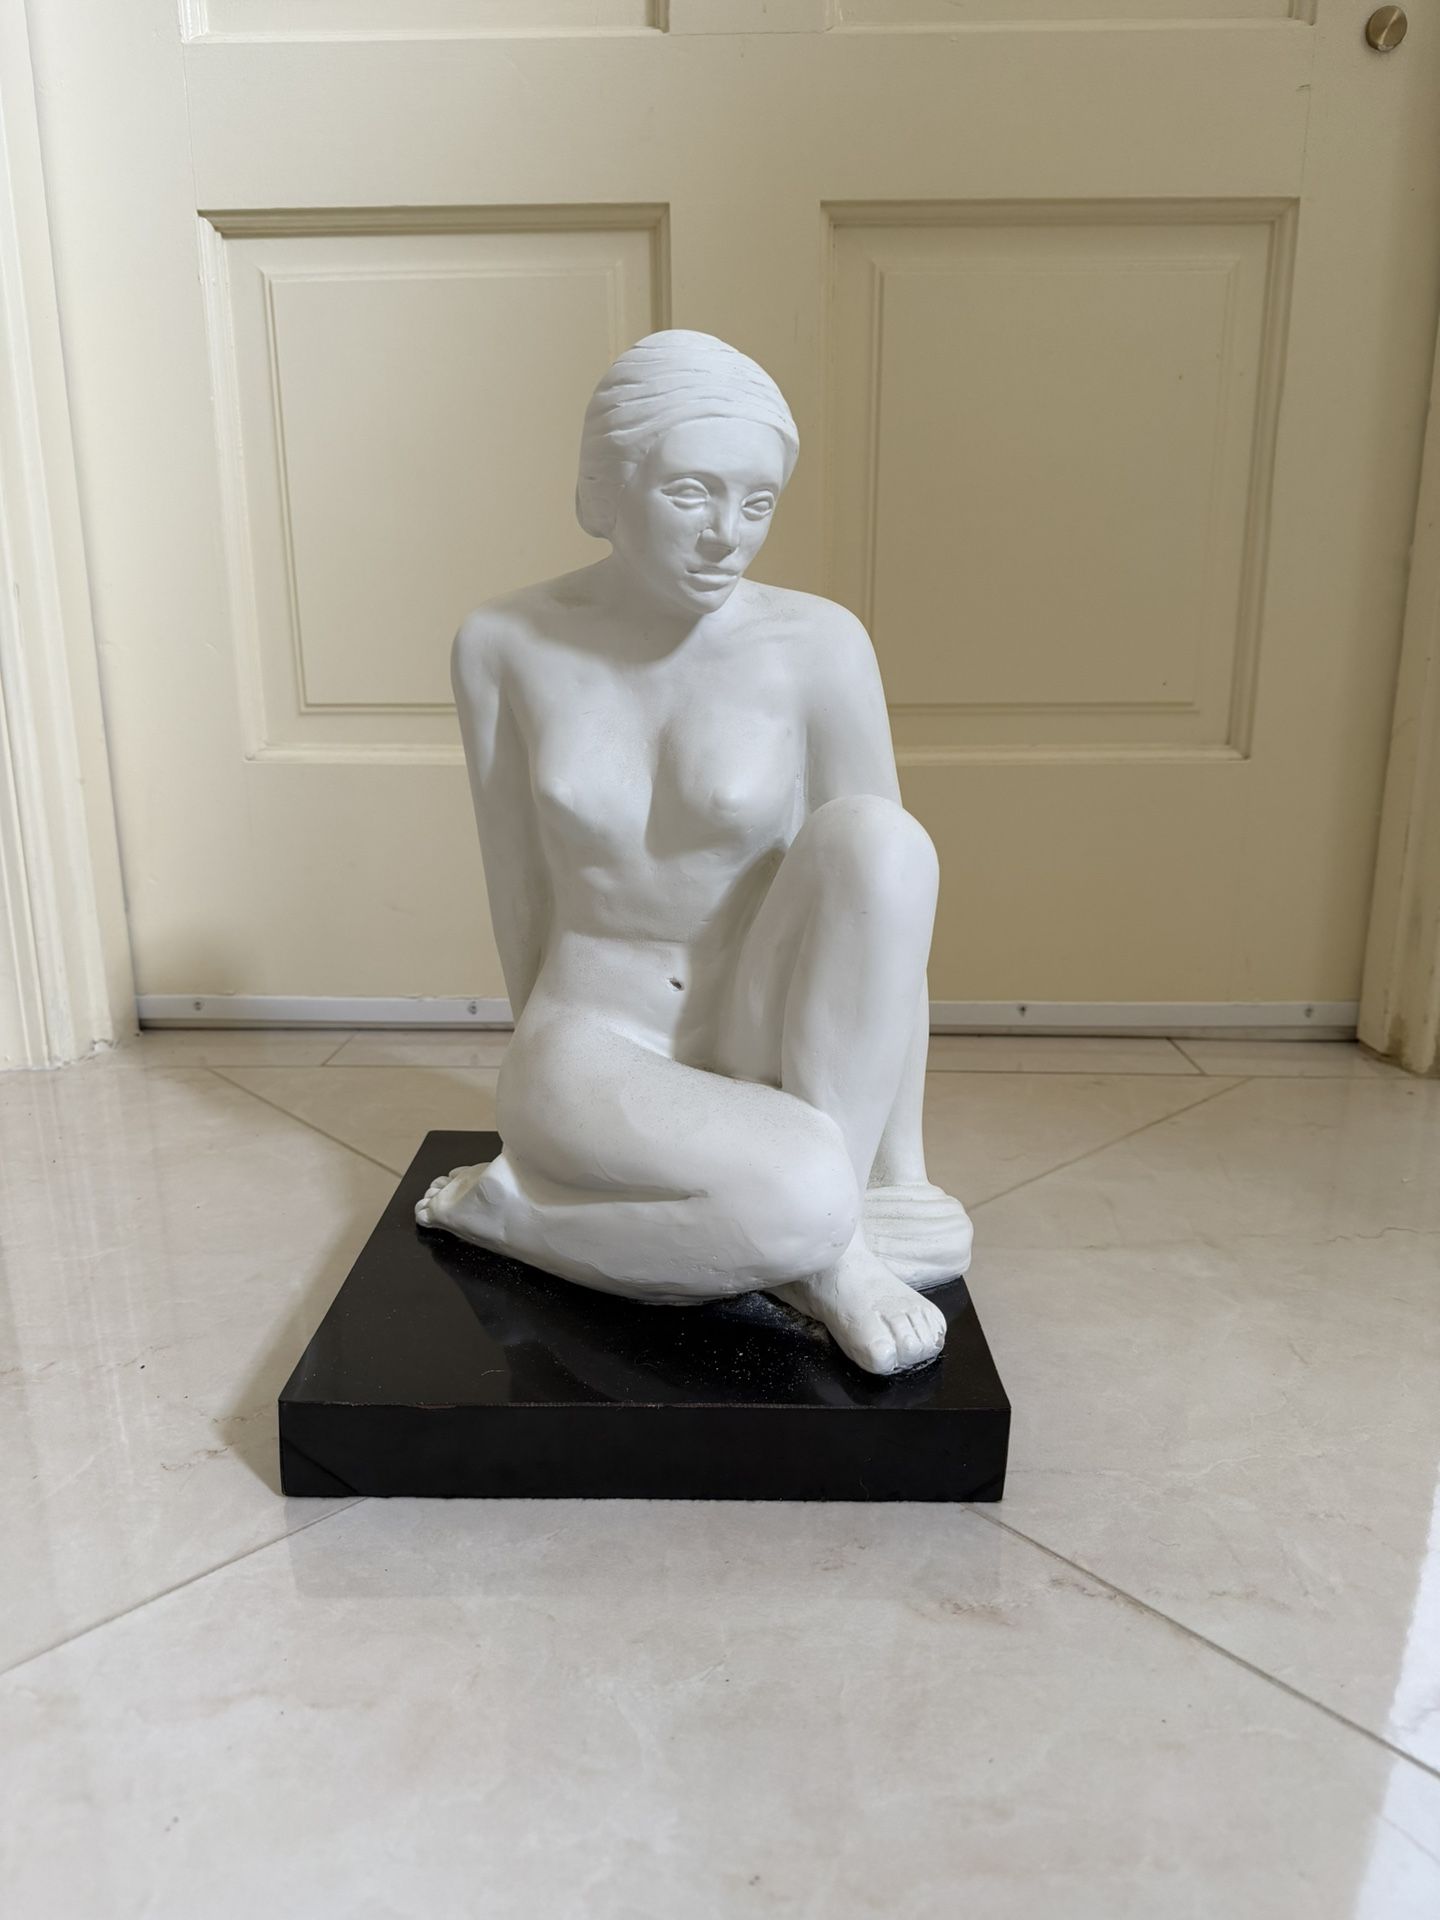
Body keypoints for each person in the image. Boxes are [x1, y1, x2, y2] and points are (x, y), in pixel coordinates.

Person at [417, 329, 973, 1375]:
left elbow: (885, 923)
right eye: (691, 494)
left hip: (758, 1027)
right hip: (596, 1032)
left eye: (757, 503)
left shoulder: (819, 644)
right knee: (803, 1202)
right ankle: (779, 1240)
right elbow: (516, 888)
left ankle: (825, 1217)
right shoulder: (503, 644)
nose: (727, 536)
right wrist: (544, 1112)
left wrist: (902, 1175)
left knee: (886, 839)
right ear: (606, 489)